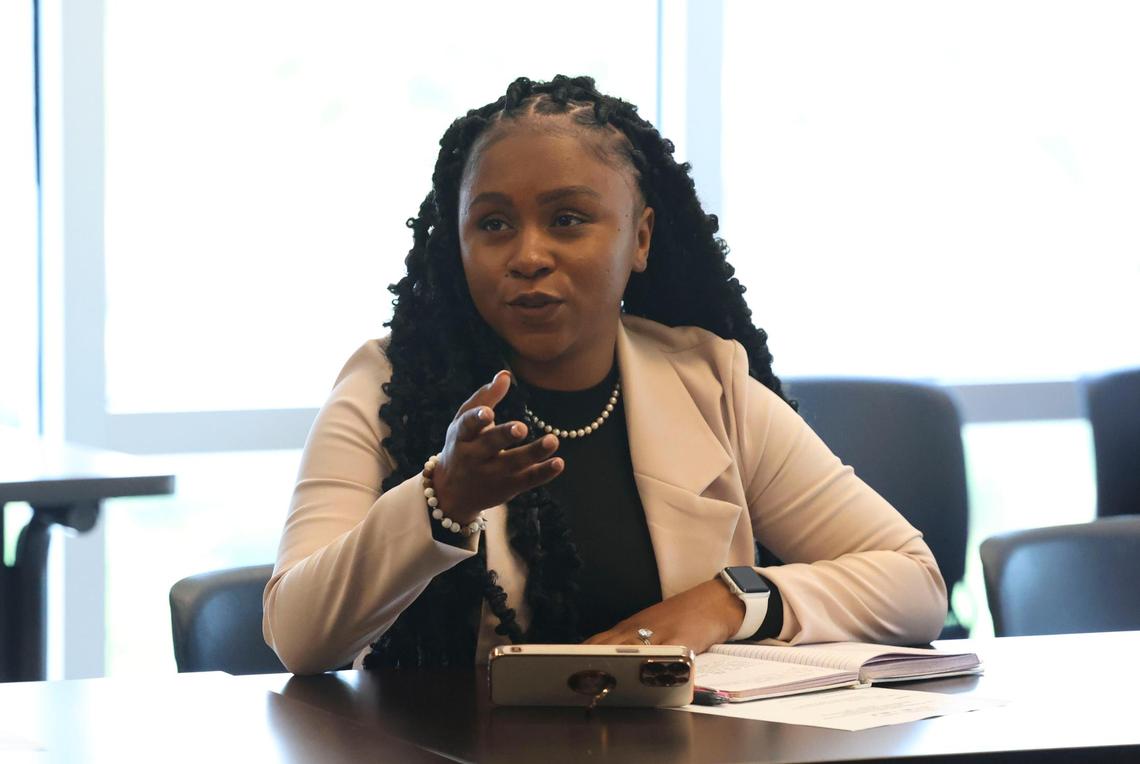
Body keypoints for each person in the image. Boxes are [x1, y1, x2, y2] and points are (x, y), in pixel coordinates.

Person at [263, 75, 947, 674]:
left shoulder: (710, 382)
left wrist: (728, 600)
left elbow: (914, 584)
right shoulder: (389, 384)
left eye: (567, 219)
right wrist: (442, 500)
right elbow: (296, 636)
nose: (528, 255)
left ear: (640, 238)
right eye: (494, 224)